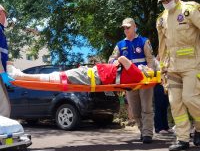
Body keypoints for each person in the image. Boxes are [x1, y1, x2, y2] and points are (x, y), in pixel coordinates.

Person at [157, 0, 200, 151]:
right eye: (162, 1)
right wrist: (162, 69)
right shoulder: (162, 19)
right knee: (175, 103)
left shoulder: (190, 10)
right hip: (172, 68)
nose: (165, 3)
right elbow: (162, 47)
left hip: (192, 65)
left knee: (189, 98)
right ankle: (182, 139)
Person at [108, 18, 155, 144]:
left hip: (144, 80)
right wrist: (116, 61)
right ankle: (142, 130)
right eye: (124, 28)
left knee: (146, 107)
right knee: (135, 110)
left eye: (128, 27)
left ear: (135, 27)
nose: (125, 30)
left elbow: (150, 60)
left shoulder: (144, 41)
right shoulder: (120, 45)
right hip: (129, 82)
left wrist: (150, 74)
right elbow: (111, 60)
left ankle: (147, 134)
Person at [7, 56, 144, 86]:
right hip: (92, 75)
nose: (146, 67)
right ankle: (20, 75)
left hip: (92, 76)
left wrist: (117, 61)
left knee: (58, 77)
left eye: (149, 68)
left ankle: (19, 75)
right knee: (57, 77)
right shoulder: (136, 76)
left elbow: (122, 58)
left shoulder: (138, 75)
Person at [0, 4, 12, 118]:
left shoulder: (1, 31)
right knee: (4, 109)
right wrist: (3, 74)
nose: (6, 18)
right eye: (5, 14)